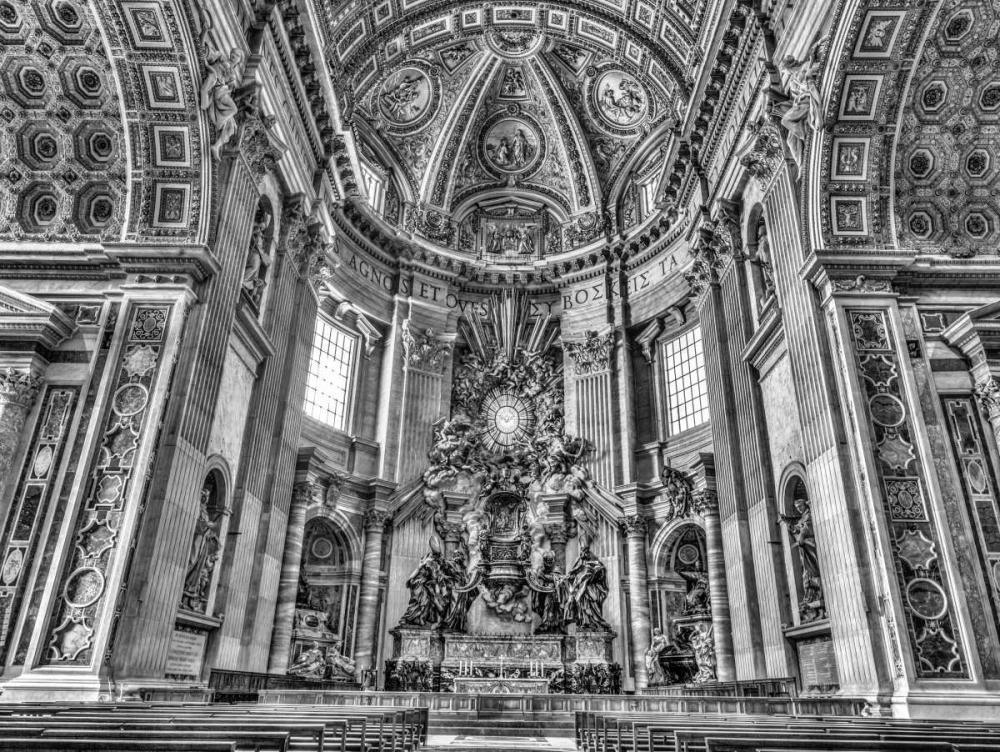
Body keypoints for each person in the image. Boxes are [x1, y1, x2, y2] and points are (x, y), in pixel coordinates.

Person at [201, 46, 245, 160]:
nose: (234, 56)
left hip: (222, 91)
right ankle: (219, 123)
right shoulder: (221, 57)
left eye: (237, 55)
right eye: (233, 53)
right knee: (234, 109)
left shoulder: (233, 76)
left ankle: (216, 146)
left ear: (240, 60)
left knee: (232, 126)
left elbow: (229, 90)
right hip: (216, 86)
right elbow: (204, 54)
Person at [561, 545, 611, 630]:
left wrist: (591, 576)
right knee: (581, 604)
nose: (584, 555)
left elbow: (601, 574)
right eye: (582, 553)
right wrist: (571, 577)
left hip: (590, 588)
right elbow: (574, 572)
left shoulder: (596, 563)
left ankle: (594, 622)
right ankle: (584, 621)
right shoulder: (581, 563)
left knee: (592, 604)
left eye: (585, 553)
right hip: (581, 588)